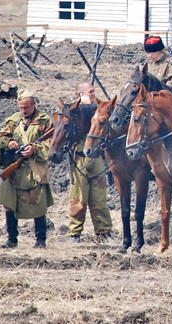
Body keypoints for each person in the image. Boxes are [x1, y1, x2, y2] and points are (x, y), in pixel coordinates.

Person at [0, 90, 54, 248]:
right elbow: (0, 138)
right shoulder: (13, 120)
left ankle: (40, 240)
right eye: (21, 107)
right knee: (9, 202)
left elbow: (52, 143)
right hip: (15, 168)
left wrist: (35, 149)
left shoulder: (44, 121)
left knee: (39, 204)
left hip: (34, 168)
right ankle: (11, 239)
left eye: (27, 107)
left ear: (34, 105)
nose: (24, 111)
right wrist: (9, 143)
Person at [65, 82, 112, 244]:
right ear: (80, 94)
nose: (93, 94)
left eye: (94, 91)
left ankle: (104, 231)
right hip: (78, 157)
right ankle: (75, 232)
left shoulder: (98, 108)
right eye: (90, 92)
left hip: (96, 157)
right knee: (78, 198)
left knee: (99, 198)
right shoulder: (73, 110)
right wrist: (81, 105)